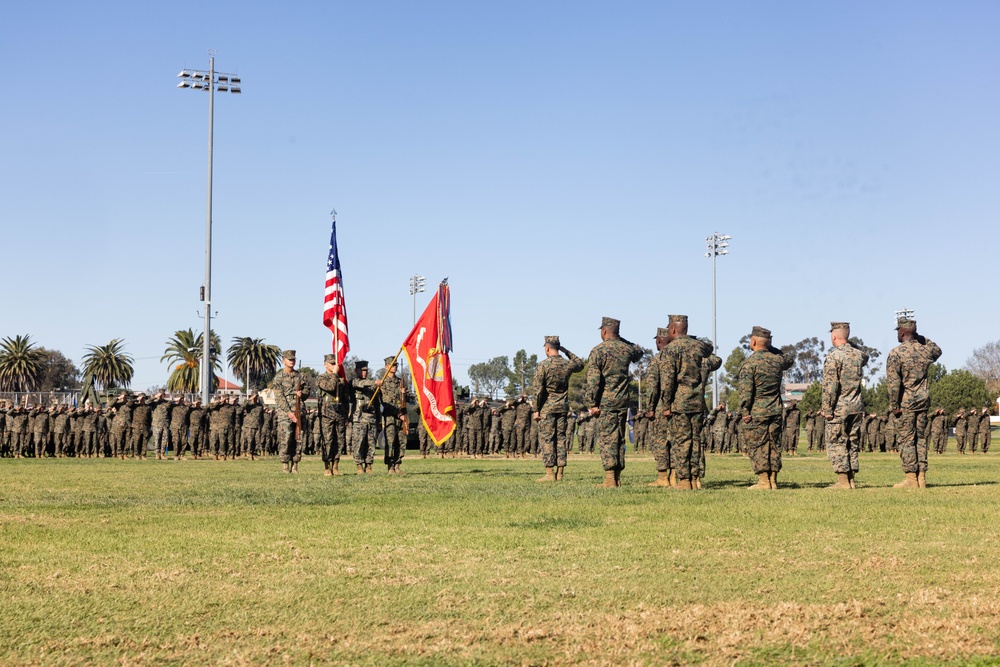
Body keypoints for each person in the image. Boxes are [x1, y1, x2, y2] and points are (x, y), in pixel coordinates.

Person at [656, 315, 720, 490]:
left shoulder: (670, 350)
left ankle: (684, 481)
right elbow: (710, 349)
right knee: (695, 440)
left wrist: (666, 405)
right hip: (697, 401)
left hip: (680, 402)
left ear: (673, 329)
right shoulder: (698, 347)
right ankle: (694, 478)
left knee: (682, 441)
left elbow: (668, 381)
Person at [585, 316, 644, 488]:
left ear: (603, 331)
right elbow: (638, 352)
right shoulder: (626, 349)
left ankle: (610, 479)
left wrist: (592, 403)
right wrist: (621, 339)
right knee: (619, 438)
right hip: (622, 400)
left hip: (606, 402)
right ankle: (617, 477)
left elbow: (593, 381)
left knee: (607, 439)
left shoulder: (598, 351)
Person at [885, 318, 942, 489]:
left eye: (898, 331)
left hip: (906, 403)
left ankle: (911, 479)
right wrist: (921, 338)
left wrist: (894, 406)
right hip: (923, 401)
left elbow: (893, 383)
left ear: (901, 332)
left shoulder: (896, 353)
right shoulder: (925, 350)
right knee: (921, 438)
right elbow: (938, 351)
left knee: (907, 439)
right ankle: (922, 477)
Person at [737, 326, 794, 490]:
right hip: (776, 409)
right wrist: (770, 347)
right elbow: (788, 359)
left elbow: (746, 392)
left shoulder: (750, 364)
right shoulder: (777, 361)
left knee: (758, 445)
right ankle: (773, 481)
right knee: (774, 445)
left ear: (753, 341)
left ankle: (763, 481)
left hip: (757, 411)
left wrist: (744, 411)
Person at [821, 322, 869, 489]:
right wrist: (849, 343)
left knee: (837, 442)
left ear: (834, 336)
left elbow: (830, 385)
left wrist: (827, 409)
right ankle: (851, 480)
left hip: (839, 407)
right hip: (856, 406)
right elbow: (866, 356)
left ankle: (842, 481)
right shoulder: (858, 355)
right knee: (852, 442)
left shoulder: (834, 356)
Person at [531, 336, 585, 482]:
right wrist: (566, 351)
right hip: (563, 407)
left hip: (547, 408)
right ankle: (560, 473)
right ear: (558, 347)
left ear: (547, 348)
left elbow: (538, 389)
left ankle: (549, 473)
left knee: (548, 439)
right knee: (561, 438)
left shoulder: (543, 365)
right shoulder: (567, 364)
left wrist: (536, 410)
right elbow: (580, 364)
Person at [268, 350, 310, 473]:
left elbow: (307, 392)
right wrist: (289, 412)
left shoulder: (301, 377)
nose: (292, 361)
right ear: (283, 361)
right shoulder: (279, 378)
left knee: (298, 438)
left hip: (299, 411)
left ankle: (295, 464)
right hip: (285, 413)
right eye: (289, 359)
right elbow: (279, 398)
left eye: (293, 359)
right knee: (285, 438)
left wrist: (302, 394)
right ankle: (285, 464)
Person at [643, 327, 674, 487]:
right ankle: (675, 475)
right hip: (678, 407)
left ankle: (662, 477)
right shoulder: (679, 357)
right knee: (676, 441)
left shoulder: (657, 360)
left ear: (660, 340)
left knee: (660, 442)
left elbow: (652, 387)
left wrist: (650, 408)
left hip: (661, 408)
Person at [316, 354, 349, 476]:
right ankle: (327, 466)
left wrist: (346, 415)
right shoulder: (321, 378)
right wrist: (335, 374)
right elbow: (330, 387)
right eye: (331, 363)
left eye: (336, 363)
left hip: (339, 413)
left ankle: (336, 465)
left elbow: (346, 399)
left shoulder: (341, 380)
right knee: (327, 440)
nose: (334, 366)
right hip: (326, 414)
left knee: (339, 441)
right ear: (325, 365)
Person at [377, 356, 408, 474]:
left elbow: (407, 398)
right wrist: (397, 414)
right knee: (390, 442)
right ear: (386, 366)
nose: (394, 367)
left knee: (401, 441)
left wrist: (405, 394)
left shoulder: (400, 382)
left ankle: (397, 465)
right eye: (392, 365)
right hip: (390, 416)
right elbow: (386, 402)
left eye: (396, 365)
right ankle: (390, 466)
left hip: (402, 416)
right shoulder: (383, 383)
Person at [350, 360, 380, 473]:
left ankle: (369, 465)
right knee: (359, 443)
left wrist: (378, 419)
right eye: (362, 370)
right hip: (359, 419)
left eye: (366, 371)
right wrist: (375, 382)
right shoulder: (354, 382)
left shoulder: (372, 387)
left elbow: (377, 404)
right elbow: (361, 384)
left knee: (371, 444)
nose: (364, 373)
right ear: (356, 370)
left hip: (371, 419)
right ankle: (359, 465)